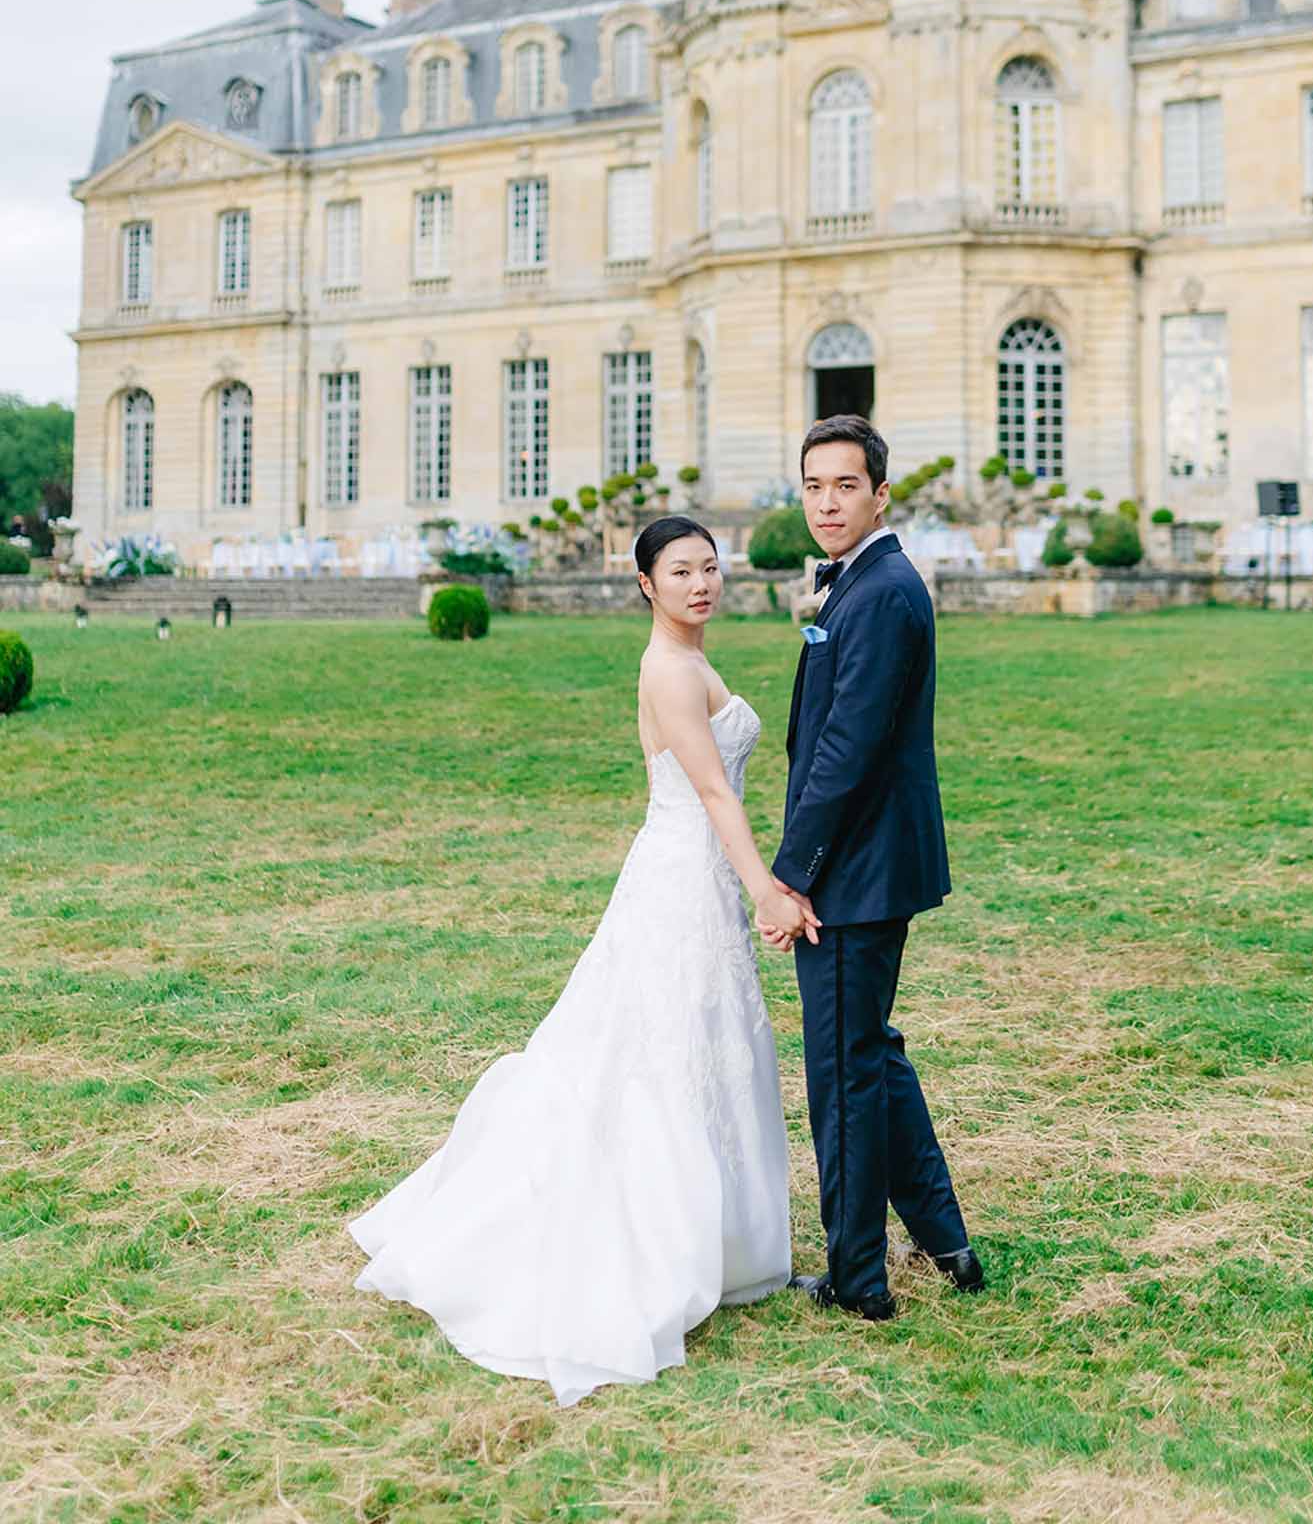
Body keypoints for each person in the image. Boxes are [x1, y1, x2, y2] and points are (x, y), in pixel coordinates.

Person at [348, 514, 805, 1407]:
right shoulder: (668, 669)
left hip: (694, 869)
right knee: (658, 1048)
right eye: (680, 571)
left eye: (710, 568)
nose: (701, 583)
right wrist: (765, 889)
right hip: (684, 871)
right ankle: (654, 1235)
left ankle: (732, 1239)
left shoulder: (696, 657)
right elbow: (712, 787)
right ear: (645, 584)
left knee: (703, 1040)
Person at [762, 413, 983, 1318]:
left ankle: (859, 1281)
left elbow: (846, 751)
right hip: (862, 861)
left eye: (844, 485)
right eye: (813, 485)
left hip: (853, 870)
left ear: (880, 494)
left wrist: (792, 875)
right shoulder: (857, 583)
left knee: (843, 1076)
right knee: (874, 1058)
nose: (825, 501)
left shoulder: (885, 592)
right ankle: (947, 1242)